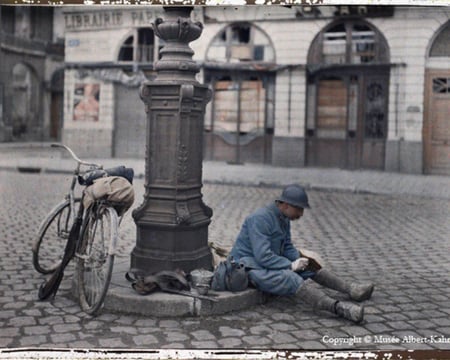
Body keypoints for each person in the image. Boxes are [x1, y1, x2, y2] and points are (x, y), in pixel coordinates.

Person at [229, 184, 374, 323]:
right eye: (298, 209)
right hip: (247, 269)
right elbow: (263, 256)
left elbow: (286, 247)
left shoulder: (283, 218)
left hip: (265, 264)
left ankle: (351, 289)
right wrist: (291, 265)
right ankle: (339, 308)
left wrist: (303, 261)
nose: (301, 214)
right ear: (285, 205)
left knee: (310, 266)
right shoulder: (260, 219)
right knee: (289, 277)